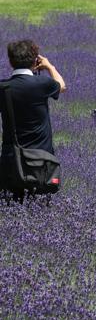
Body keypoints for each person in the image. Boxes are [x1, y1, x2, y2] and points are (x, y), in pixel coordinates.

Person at [0, 39, 66, 201]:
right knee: (41, 205)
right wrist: (50, 66)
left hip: (11, 160)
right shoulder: (42, 83)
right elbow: (61, 85)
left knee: (10, 206)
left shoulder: (3, 87)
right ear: (35, 60)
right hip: (41, 161)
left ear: (10, 61)